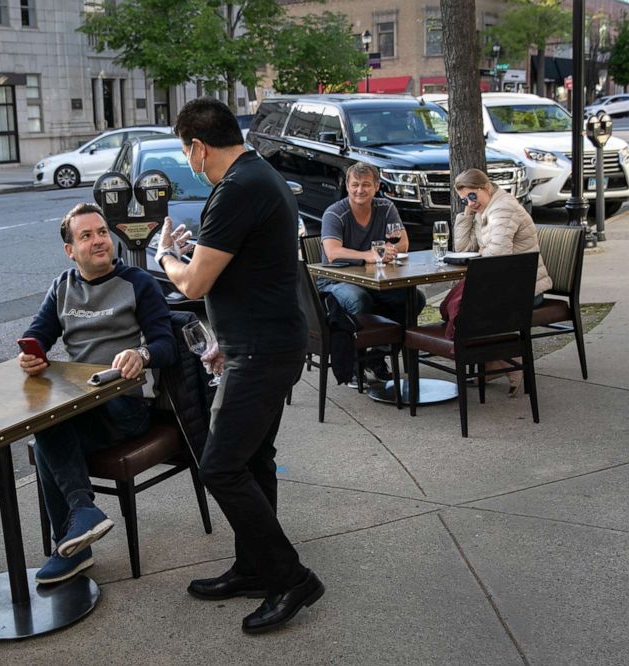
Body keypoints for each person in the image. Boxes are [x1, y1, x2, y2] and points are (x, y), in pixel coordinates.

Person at [155, 97, 323, 635]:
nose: (189, 162)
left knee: (220, 465)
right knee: (253, 459)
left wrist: (165, 255)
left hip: (263, 352)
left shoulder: (237, 188)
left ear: (199, 146)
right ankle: (254, 566)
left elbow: (196, 282)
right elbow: (240, 271)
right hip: (264, 342)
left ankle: (289, 576)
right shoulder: (257, 177)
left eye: (187, 152)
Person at [19, 202, 176, 584]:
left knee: (48, 431)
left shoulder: (138, 282)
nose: (98, 241)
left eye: (102, 232)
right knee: (49, 426)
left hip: (126, 405)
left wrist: (140, 354)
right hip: (81, 403)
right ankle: (80, 523)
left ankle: (74, 542)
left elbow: (166, 344)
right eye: (86, 236)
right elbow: (37, 335)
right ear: (70, 250)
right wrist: (31, 357)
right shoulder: (62, 286)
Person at [318, 161, 426, 383]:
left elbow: (403, 243)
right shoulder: (335, 213)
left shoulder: (385, 208)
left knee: (414, 298)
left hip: (374, 280)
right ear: (347, 185)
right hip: (335, 281)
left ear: (377, 186)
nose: (360, 190)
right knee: (358, 299)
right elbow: (332, 253)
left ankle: (377, 356)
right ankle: (354, 365)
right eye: (355, 184)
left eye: (366, 184)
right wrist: (369, 254)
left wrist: (389, 250)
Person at [452, 168, 553, 395]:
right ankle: (494, 363)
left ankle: (507, 361)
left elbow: (497, 258)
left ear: (485, 187)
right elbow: (463, 248)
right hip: (506, 286)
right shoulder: (484, 209)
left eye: (472, 196)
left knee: (468, 308)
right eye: (464, 199)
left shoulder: (503, 209)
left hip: (526, 290)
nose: (470, 202)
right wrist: (467, 214)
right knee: (461, 304)